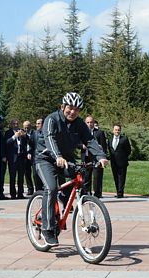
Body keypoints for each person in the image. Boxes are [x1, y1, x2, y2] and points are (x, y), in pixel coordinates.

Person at [35, 92, 108, 246]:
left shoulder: (80, 124)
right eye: (70, 108)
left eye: (76, 109)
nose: (72, 112)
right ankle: (48, 229)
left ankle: (64, 196)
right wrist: (57, 156)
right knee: (51, 188)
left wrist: (101, 156)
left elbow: (89, 140)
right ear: (63, 107)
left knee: (78, 179)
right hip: (45, 158)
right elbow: (50, 138)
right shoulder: (51, 119)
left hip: (66, 158)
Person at [82, 115, 108, 198]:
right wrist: (81, 145)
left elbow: (103, 146)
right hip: (86, 157)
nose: (90, 124)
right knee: (86, 177)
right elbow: (77, 143)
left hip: (97, 159)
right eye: (88, 122)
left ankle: (97, 194)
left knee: (97, 177)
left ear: (94, 123)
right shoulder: (82, 133)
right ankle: (87, 193)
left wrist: (103, 157)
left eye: (91, 122)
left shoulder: (99, 133)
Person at [5, 118, 27, 199]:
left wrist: (24, 136)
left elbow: (26, 143)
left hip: (21, 157)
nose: (16, 125)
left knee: (21, 177)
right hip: (12, 158)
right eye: (14, 124)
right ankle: (13, 194)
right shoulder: (8, 132)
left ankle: (20, 194)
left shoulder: (21, 131)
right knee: (12, 177)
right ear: (11, 125)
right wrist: (14, 136)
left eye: (17, 123)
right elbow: (7, 143)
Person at [108, 123, 131, 198]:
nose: (117, 131)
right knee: (115, 177)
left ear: (120, 131)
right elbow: (110, 149)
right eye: (115, 130)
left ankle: (120, 193)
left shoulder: (124, 139)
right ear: (113, 130)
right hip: (113, 162)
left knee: (121, 177)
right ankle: (118, 191)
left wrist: (123, 157)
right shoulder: (110, 139)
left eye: (118, 130)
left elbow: (128, 150)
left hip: (122, 162)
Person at [23, 120, 34, 196]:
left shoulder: (34, 133)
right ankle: (30, 189)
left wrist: (30, 152)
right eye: (25, 128)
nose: (26, 129)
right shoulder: (22, 133)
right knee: (27, 173)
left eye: (28, 127)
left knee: (36, 173)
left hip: (33, 155)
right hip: (25, 156)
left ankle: (40, 188)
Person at [33, 118, 44, 191]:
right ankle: (38, 191)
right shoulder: (34, 133)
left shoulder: (46, 132)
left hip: (44, 158)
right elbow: (30, 144)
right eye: (36, 123)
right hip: (35, 158)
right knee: (35, 175)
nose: (37, 125)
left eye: (39, 123)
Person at [0, 116, 8, 200]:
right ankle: (0, 193)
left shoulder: (2, 132)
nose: (2, 123)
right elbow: (1, 146)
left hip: (2, 157)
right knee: (0, 176)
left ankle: (1, 192)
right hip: (1, 158)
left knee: (2, 175)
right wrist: (3, 156)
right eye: (1, 122)